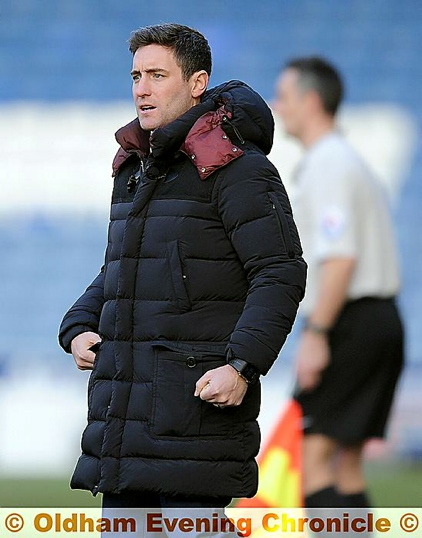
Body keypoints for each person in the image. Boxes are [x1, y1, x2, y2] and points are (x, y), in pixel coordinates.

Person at [58, 23, 306, 511]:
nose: (141, 89)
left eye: (156, 74)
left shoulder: (240, 168)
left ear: (197, 83)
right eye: (135, 76)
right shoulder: (136, 166)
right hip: (124, 429)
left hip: (192, 416)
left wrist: (241, 365)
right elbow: (125, 266)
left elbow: (280, 271)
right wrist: (79, 322)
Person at [273, 56, 404, 509]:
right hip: (380, 318)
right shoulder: (348, 160)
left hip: (348, 320)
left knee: (315, 460)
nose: (277, 106)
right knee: (346, 463)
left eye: (283, 97)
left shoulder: (328, 163)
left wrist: (317, 334)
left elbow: (340, 257)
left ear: (310, 102)